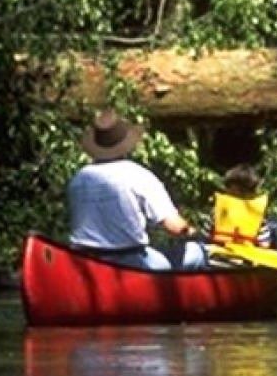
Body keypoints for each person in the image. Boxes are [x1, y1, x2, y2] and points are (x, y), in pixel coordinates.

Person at [66, 111, 207, 271]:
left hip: (84, 258)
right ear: (126, 146)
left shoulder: (79, 178)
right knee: (196, 252)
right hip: (130, 260)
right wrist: (193, 232)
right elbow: (174, 227)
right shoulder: (138, 174)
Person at [211, 164, 277, 250]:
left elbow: (265, 246)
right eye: (233, 194)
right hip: (221, 254)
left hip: (247, 255)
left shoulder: (262, 221)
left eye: (241, 193)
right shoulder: (216, 214)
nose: (237, 198)